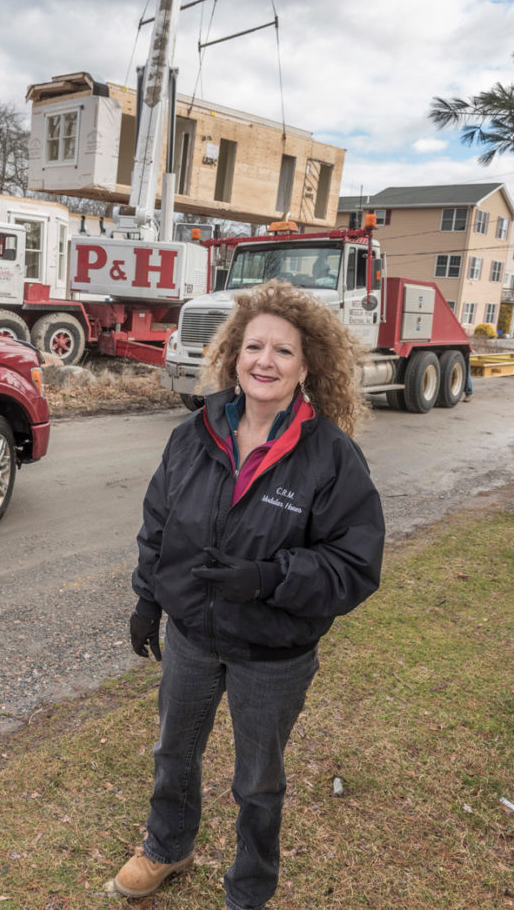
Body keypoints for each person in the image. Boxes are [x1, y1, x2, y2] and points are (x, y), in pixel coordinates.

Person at [112, 280, 385, 910]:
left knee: (258, 782)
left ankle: (250, 888)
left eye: (283, 351)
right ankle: (168, 846)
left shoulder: (332, 457)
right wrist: (149, 599)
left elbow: (355, 564)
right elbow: (159, 524)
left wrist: (268, 579)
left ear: (306, 366)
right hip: (192, 639)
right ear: (234, 354)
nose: (266, 361)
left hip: (273, 652)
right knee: (173, 751)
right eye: (254, 346)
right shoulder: (194, 434)